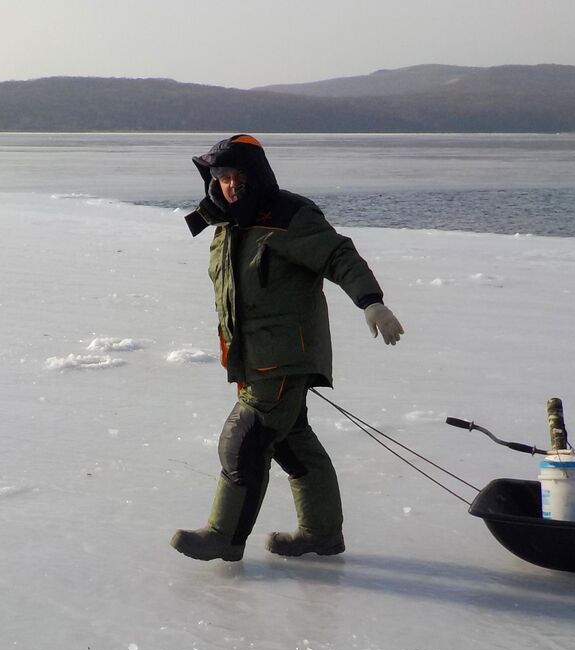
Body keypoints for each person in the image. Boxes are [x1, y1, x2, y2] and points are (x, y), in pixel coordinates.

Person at [171, 134, 405, 562]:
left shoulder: (289, 215)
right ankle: (321, 534)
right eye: (222, 177)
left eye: (238, 176)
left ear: (256, 175)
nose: (230, 185)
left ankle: (225, 535)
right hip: (251, 357)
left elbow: (338, 255)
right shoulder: (226, 224)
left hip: (284, 356)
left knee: (245, 438)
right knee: (292, 441)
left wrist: (372, 302)